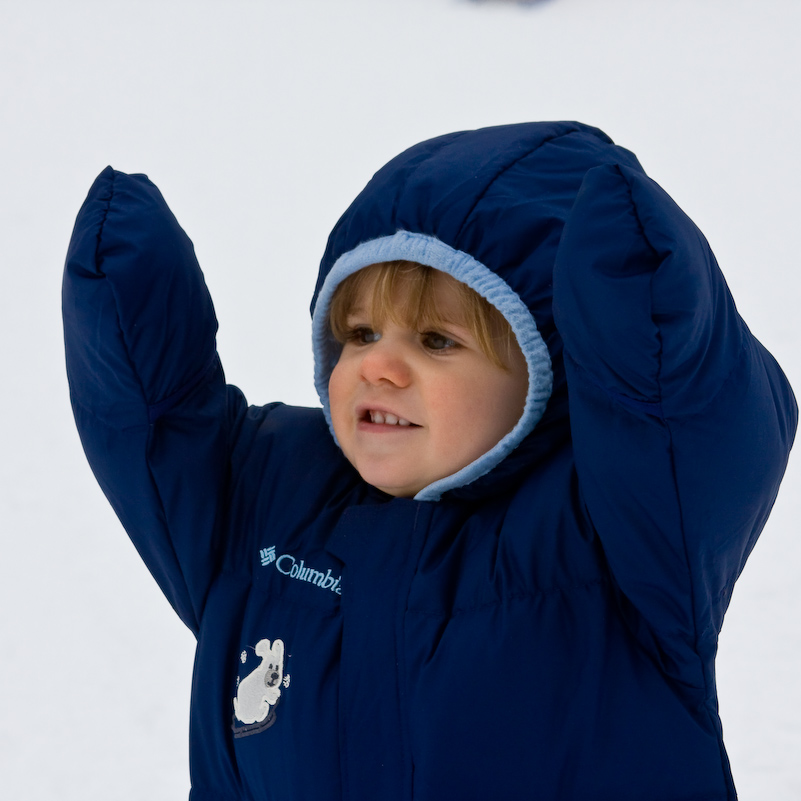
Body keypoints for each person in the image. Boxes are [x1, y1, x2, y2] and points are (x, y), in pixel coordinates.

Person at [62, 121, 796, 801]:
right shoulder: (264, 497)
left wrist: (647, 319)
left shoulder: (617, 533)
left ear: (553, 370)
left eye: (436, 341)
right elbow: (156, 433)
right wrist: (126, 321)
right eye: (357, 332)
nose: (377, 366)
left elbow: (696, 430)